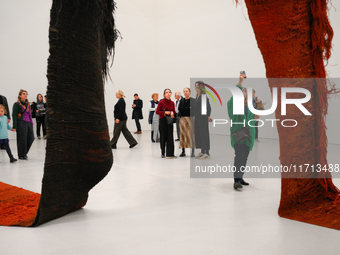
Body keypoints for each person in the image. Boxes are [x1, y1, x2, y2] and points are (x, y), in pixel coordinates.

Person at [228, 74, 260, 190]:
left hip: (248, 135)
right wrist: (240, 83)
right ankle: (236, 180)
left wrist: (254, 117)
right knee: (239, 157)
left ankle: (240, 177)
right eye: (241, 92)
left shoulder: (249, 106)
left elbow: (250, 118)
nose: (243, 92)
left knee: (244, 157)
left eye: (244, 91)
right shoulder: (234, 104)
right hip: (239, 134)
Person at [12, 89, 35, 160]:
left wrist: (31, 123)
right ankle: (21, 155)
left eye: (26, 94)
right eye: (24, 94)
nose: (25, 95)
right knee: (22, 139)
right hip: (21, 122)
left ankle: (24, 153)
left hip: (28, 122)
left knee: (31, 138)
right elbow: (14, 115)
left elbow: (30, 114)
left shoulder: (28, 104)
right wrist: (15, 126)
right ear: (20, 95)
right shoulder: (16, 104)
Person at [156, 89, 176, 159]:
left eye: (169, 92)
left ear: (171, 94)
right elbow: (157, 112)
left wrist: (173, 113)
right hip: (163, 120)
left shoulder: (172, 103)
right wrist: (164, 113)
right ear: (164, 94)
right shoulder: (161, 102)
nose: (168, 93)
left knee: (170, 137)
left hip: (170, 121)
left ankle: (170, 153)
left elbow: (173, 110)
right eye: (166, 92)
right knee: (163, 137)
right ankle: (163, 152)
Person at [194, 82, 212, 159]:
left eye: (198, 86)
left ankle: (207, 152)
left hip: (202, 118)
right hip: (197, 118)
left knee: (204, 134)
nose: (196, 87)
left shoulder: (203, 96)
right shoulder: (197, 96)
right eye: (195, 86)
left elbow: (208, 108)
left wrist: (208, 116)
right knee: (199, 134)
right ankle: (202, 151)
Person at [178, 87, 195, 157]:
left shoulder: (193, 100)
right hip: (182, 119)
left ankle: (192, 151)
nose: (185, 92)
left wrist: (185, 109)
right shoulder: (182, 100)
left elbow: (193, 109)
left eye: (187, 91)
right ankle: (183, 151)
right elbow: (180, 109)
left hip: (191, 118)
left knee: (191, 134)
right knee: (182, 135)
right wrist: (188, 108)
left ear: (190, 92)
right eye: (184, 91)